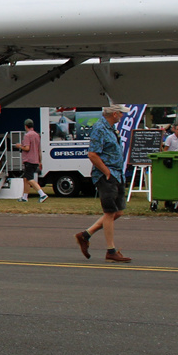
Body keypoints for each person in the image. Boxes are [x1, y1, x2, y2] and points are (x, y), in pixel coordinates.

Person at [76, 105, 130, 262]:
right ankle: (111, 250)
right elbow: (92, 154)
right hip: (107, 175)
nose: (122, 116)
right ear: (114, 114)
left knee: (118, 211)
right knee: (110, 212)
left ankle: (85, 235)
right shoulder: (100, 128)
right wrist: (106, 172)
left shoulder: (111, 128)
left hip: (116, 174)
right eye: (120, 113)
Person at [16, 118, 48, 202]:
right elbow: (39, 149)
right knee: (25, 178)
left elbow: (27, 148)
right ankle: (24, 197)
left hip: (28, 160)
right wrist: (40, 161)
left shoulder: (27, 135)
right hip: (35, 159)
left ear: (25, 126)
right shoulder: (37, 135)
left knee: (29, 179)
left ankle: (42, 194)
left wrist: (19, 146)